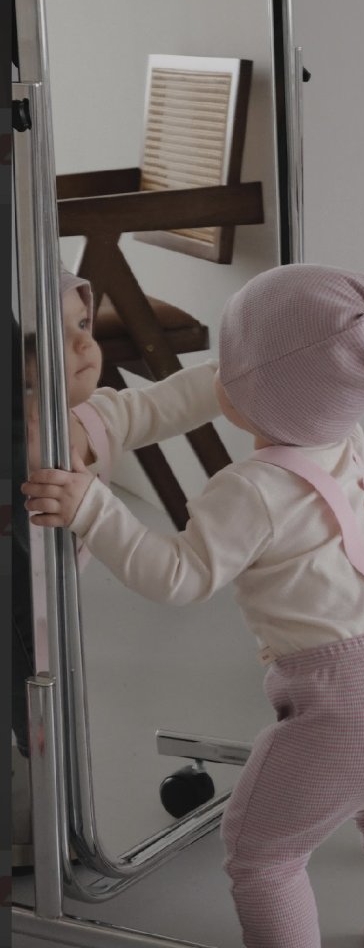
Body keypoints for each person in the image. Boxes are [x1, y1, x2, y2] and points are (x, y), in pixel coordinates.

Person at [22, 263, 364, 948]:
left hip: (348, 709)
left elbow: (177, 577)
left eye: (229, 362)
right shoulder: (345, 436)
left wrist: (94, 508)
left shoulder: (249, 491)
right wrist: (118, 414)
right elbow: (216, 388)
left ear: (255, 388)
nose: (215, 373)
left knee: (263, 854)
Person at [12, 265, 221, 870]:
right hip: (19, 604)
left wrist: (235, 376)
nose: (85, 344)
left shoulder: (92, 417)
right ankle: (34, 828)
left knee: (48, 690)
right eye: (58, 336)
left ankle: (45, 815)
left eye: (84, 324)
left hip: (48, 602)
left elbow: (162, 404)